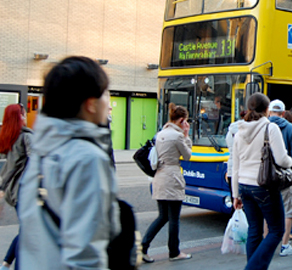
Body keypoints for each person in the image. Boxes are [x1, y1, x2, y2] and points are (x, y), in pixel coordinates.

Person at [18, 56, 120, 269]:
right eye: (106, 94)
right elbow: (85, 255)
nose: (108, 104)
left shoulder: (42, 150)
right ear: (91, 104)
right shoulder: (87, 158)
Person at [232, 93, 292, 270]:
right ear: (267, 110)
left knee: (254, 230)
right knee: (276, 231)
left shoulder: (239, 131)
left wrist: (236, 194)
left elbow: (235, 166)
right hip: (264, 186)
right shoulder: (270, 128)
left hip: (244, 186)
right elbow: (282, 160)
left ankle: (253, 266)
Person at [141, 103, 192, 263]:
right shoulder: (177, 136)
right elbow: (188, 155)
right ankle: (174, 252)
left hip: (159, 177)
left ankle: (142, 247)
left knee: (162, 216)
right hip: (172, 177)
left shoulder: (161, 133)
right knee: (174, 218)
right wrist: (187, 135)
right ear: (182, 120)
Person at [0, 104, 32, 270]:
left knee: (26, 230)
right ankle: (8, 264)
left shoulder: (8, 136)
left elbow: (8, 167)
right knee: (28, 231)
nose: (26, 118)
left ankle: (6, 264)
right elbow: (35, 161)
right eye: (24, 115)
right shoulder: (26, 137)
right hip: (25, 191)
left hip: (13, 191)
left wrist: (2, 186)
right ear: (19, 117)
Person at [268, 99, 292, 256]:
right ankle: (285, 245)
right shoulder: (290, 128)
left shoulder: (263, 127)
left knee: (267, 211)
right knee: (288, 211)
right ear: (283, 112)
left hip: (266, 176)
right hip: (285, 176)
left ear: (269, 111)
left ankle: (267, 243)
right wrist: (291, 171)